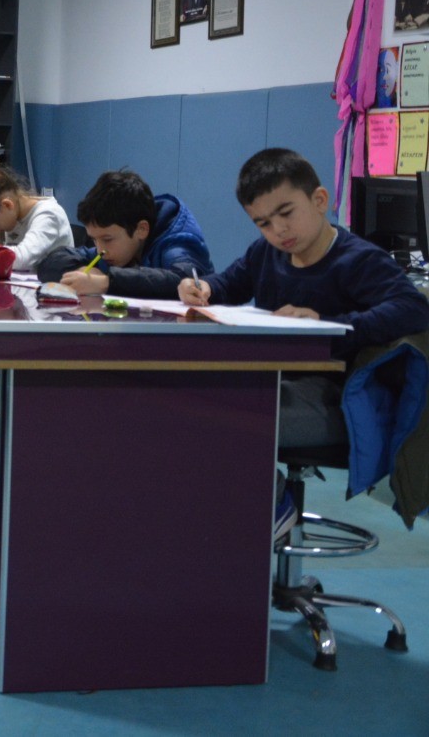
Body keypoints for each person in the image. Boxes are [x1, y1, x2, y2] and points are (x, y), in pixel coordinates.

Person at [179, 148, 429, 535]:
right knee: (190, 404)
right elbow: (227, 284)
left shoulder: (358, 261)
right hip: (280, 385)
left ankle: (273, 504)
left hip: (338, 401)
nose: (278, 230)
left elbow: (414, 308)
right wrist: (202, 288)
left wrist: (327, 325)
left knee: (222, 419)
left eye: (286, 213)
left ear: (319, 200)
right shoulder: (266, 254)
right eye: (263, 223)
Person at [36, 170, 213, 297]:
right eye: (94, 240)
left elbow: (184, 281)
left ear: (141, 230)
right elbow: (51, 263)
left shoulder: (177, 244)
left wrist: (106, 282)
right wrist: (83, 270)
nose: (100, 250)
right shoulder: (114, 246)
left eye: (107, 239)